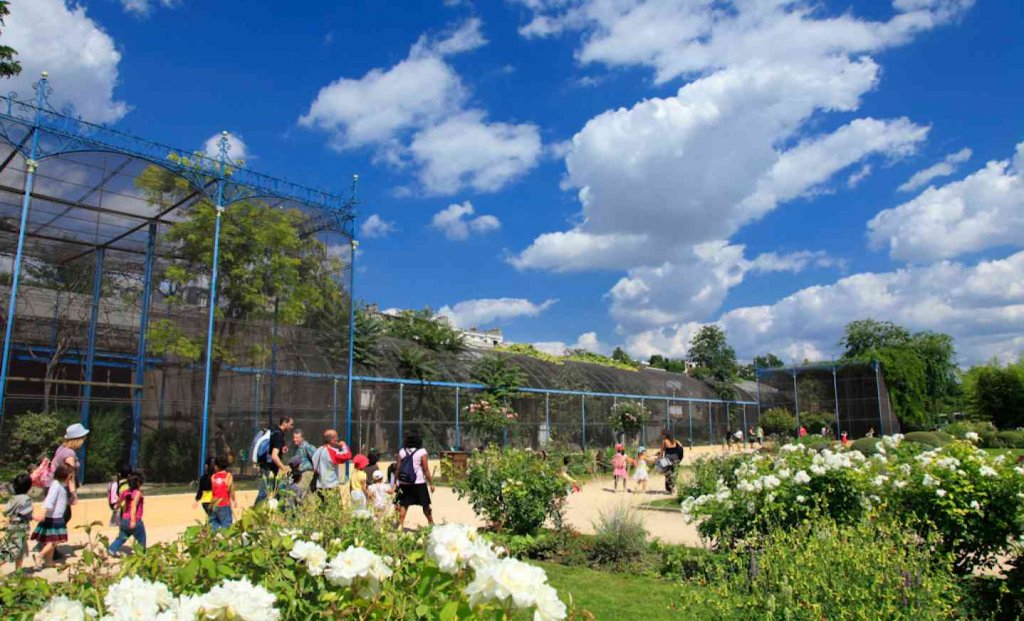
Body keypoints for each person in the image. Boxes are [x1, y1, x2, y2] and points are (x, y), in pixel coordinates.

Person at [31, 463, 74, 567]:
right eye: (70, 475)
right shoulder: (56, 485)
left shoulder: (61, 485)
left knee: (51, 541)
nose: (71, 478)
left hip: (57, 516)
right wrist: (43, 512)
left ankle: (49, 561)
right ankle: (40, 555)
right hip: (54, 518)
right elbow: (49, 500)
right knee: (55, 540)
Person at [393, 433, 435, 529]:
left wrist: (395, 482)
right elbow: (425, 469)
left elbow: (397, 468)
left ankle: (401, 525)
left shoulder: (402, 451)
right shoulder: (421, 452)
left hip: (404, 483)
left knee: (403, 504)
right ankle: (431, 523)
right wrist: (431, 483)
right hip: (418, 483)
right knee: (425, 504)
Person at [256, 417, 293, 506]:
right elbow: (274, 456)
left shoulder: (275, 432)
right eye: (291, 424)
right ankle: (255, 509)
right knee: (265, 492)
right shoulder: (278, 435)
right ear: (284, 423)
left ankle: (265, 509)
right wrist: (284, 468)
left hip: (266, 466)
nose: (292, 427)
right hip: (269, 468)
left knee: (271, 491)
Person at [1, 474, 33, 573]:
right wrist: (35, 517)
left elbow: (6, 511)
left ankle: (18, 572)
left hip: (11, 526)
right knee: (15, 550)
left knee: (20, 550)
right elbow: (26, 514)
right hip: (20, 528)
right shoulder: (26, 499)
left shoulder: (13, 498)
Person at [108, 472, 146, 557]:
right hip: (135, 520)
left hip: (124, 520)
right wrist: (133, 521)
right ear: (139, 483)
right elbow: (133, 506)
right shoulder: (137, 493)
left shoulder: (126, 492)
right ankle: (142, 554)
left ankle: (111, 549)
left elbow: (119, 501)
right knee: (141, 539)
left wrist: (116, 506)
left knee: (122, 537)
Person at [311, 429, 352, 498]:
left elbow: (314, 466)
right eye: (336, 437)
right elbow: (347, 455)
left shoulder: (317, 451)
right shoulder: (332, 452)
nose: (337, 439)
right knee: (333, 504)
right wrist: (344, 446)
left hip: (319, 485)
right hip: (331, 486)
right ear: (332, 439)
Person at [209, 456, 236, 532]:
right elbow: (231, 489)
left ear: (216, 466)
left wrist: (211, 504)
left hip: (215, 504)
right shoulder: (228, 476)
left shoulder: (213, 477)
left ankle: (214, 534)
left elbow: (213, 492)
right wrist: (234, 500)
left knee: (213, 522)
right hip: (224, 504)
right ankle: (225, 536)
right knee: (226, 524)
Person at [659, 430, 684, 494]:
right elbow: (681, 448)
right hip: (675, 458)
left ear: (665, 435)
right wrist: (680, 457)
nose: (662, 436)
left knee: (667, 474)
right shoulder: (675, 441)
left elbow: (661, 452)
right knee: (674, 473)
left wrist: (660, 460)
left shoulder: (664, 441)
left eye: (663, 435)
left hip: (667, 458)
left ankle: (670, 488)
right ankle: (673, 487)